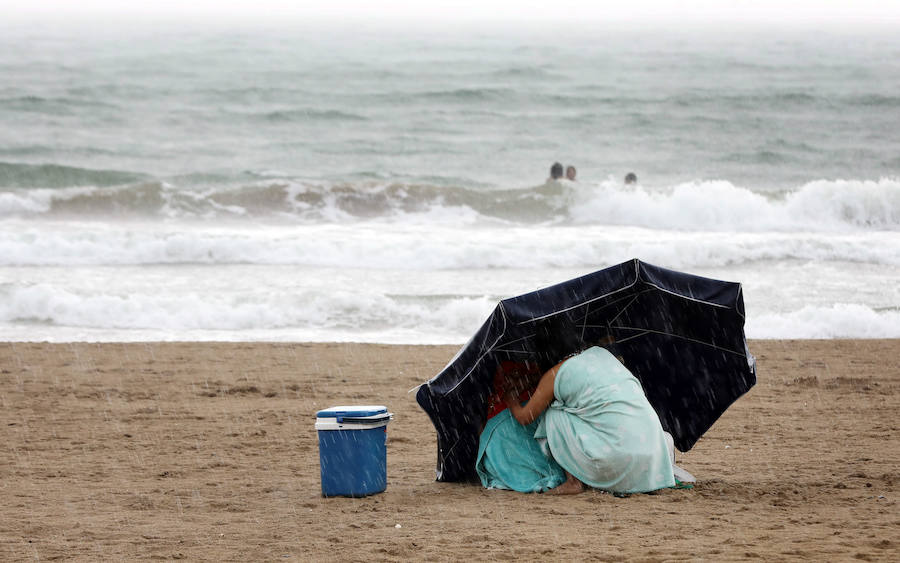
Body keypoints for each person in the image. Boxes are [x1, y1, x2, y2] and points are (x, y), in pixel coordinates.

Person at [502, 318, 676, 495]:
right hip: (653, 459)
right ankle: (644, 483)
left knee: (554, 412)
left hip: (617, 463)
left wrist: (511, 398)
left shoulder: (554, 374)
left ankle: (573, 482)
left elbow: (525, 417)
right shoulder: (602, 354)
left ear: (545, 349)